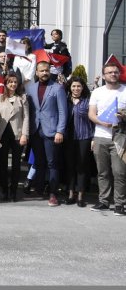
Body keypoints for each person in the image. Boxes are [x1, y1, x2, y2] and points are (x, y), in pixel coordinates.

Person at [26, 61, 67, 207]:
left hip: (52, 131)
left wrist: (60, 131)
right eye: (41, 71)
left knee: (52, 163)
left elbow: (63, 111)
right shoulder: (30, 88)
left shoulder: (57, 88)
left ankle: (53, 193)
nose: (44, 73)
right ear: (36, 72)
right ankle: (39, 190)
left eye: (46, 71)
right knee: (39, 162)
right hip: (35, 130)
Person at [88, 62, 126, 215]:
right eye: (109, 72)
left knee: (119, 172)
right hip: (100, 136)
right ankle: (103, 201)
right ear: (104, 76)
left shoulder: (125, 91)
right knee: (102, 172)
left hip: (120, 137)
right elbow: (91, 114)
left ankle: (120, 204)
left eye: (116, 72)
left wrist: (123, 116)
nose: (113, 74)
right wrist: (102, 122)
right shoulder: (97, 92)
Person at [0, 73, 29, 202]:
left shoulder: (22, 98)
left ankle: (13, 190)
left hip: (17, 134)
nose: (13, 84)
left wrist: (25, 134)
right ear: (6, 84)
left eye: (15, 82)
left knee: (16, 164)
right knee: (2, 164)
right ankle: (4, 190)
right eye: (10, 82)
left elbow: (26, 117)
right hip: (3, 134)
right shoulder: (0, 98)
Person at [63, 76, 93, 207]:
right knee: (70, 166)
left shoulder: (88, 102)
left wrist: (93, 138)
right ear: (70, 87)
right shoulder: (66, 101)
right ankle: (70, 194)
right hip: (69, 138)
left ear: (83, 88)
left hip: (84, 137)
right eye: (74, 86)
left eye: (79, 86)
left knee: (81, 166)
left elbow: (92, 121)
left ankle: (80, 195)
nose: (76, 88)